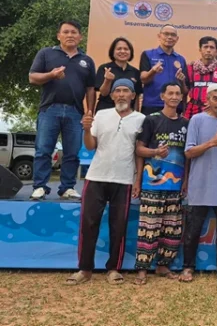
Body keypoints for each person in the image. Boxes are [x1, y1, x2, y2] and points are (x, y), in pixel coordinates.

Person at [66, 79, 145, 285]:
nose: (121, 94)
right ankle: (85, 269)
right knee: (88, 224)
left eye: (126, 91)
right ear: (112, 95)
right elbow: (90, 146)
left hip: (124, 179)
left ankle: (113, 269)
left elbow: (139, 152)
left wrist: (138, 179)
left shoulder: (141, 119)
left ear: (133, 96)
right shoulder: (101, 115)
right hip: (96, 177)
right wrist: (86, 129)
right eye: (117, 90)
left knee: (118, 227)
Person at [29, 20, 96, 200]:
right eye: (65, 32)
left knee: (72, 152)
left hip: (75, 111)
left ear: (80, 37)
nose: (70, 35)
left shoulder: (86, 60)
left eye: (74, 32)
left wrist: (90, 111)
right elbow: (33, 77)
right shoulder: (46, 53)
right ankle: (39, 186)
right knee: (43, 149)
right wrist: (51, 75)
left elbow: (91, 88)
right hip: (50, 109)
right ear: (58, 35)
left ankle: (67, 187)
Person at [180, 84, 217, 283]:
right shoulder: (196, 120)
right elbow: (189, 152)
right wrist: (211, 143)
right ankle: (188, 267)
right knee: (192, 230)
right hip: (199, 185)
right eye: (215, 98)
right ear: (207, 100)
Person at [133, 82, 189, 285]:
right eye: (170, 93)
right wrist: (155, 153)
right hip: (152, 183)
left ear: (181, 97)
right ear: (162, 96)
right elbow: (139, 149)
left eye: (177, 93)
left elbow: (188, 156)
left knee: (171, 229)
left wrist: (186, 181)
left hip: (176, 185)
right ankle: (142, 269)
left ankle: (163, 266)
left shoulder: (186, 123)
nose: (174, 97)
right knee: (149, 228)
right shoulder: (151, 120)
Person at [139, 25, 188, 115]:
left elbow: (185, 91)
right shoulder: (148, 54)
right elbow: (143, 79)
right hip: (152, 105)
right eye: (166, 34)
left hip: (175, 106)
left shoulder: (181, 59)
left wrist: (182, 82)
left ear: (177, 39)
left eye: (173, 35)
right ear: (159, 36)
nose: (169, 37)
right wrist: (153, 71)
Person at [184, 36, 217, 119]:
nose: (208, 50)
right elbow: (185, 91)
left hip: (214, 111)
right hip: (192, 111)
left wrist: (216, 104)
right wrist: (181, 81)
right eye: (205, 47)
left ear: (216, 51)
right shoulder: (190, 68)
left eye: (212, 47)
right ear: (200, 49)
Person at [95, 37, 142, 112]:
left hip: (127, 112)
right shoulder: (104, 68)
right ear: (112, 51)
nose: (122, 51)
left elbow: (136, 96)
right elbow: (103, 93)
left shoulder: (135, 72)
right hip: (106, 111)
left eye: (126, 49)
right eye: (119, 49)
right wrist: (108, 80)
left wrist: (136, 113)